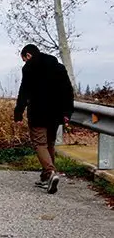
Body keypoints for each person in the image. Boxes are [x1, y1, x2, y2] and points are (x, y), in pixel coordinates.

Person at [13, 44, 75, 194]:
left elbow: (24, 92)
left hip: (38, 113)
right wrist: (67, 112)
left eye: (24, 59)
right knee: (49, 144)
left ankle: (50, 172)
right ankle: (46, 177)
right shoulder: (58, 67)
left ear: (28, 55)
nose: (25, 62)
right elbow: (68, 90)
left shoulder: (29, 68)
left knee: (40, 144)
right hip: (56, 113)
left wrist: (18, 112)